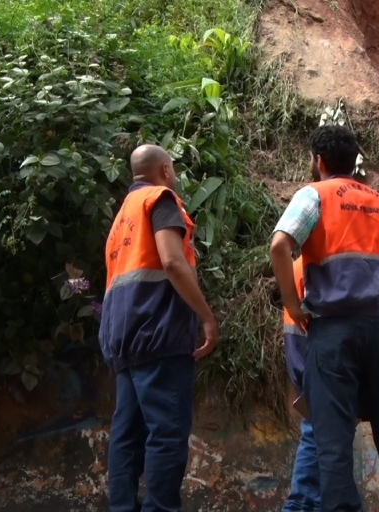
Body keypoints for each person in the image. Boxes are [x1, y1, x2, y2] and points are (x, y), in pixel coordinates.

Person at [269, 125, 379, 512]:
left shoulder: (315, 195)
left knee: (333, 444)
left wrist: (293, 306)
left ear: (318, 161)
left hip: (335, 330)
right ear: (355, 160)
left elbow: (280, 244)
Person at [99, 144, 219, 512]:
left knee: (127, 435)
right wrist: (207, 317)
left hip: (122, 337)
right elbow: (171, 261)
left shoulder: (122, 217)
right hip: (158, 331)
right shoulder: (161, 199)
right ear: (165, 169)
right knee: (166, 434)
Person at [282, 256, 322, 512]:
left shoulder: (300, 264)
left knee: (316, 434)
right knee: (316, 435)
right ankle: (300, 505)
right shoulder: (316, 266)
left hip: (302, 359)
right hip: (314, 363)